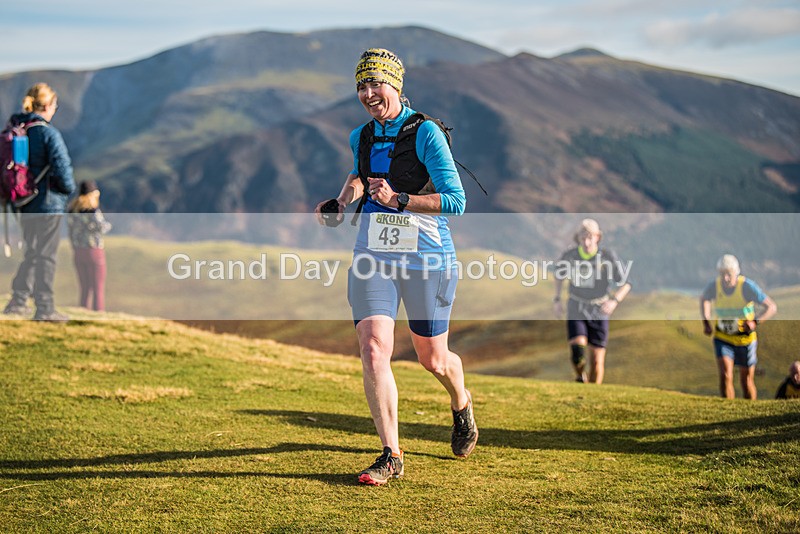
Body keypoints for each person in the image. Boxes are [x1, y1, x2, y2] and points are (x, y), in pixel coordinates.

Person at [314, 48, 477, 486]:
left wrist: (400, 200)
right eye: (360, 87)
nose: (368, 93)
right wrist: (341, 202)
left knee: (433, 359)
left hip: (427, 257)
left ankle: (461, 402)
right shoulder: (361, 136)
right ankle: (391, 454)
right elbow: (358, 174)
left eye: (375, 84)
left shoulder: (425, 133)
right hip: (375, 255)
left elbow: (456, 202)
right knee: (372, 347)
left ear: (396, 85)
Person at [3, 83, 75, 321]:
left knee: (33, 252)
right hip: (47, 202)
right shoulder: (47, 133)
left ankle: (18, 300)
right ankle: (45, 308)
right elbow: (63, 170)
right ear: (47, 105)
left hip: (23, 203)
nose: (55, 109)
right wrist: (67, 190)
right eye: (54, 105)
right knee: (46, 255)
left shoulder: (17, 129)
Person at [552, 218, 631, 384]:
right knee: (578, 351)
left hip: (599, 309)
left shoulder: (607, 257)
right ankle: (580, 376)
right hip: (576, 306)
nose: (586, 242)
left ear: (597, 237)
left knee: (596, 360)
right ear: (578, 238)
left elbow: (626, 283)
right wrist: (557, 299)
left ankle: (594, 394)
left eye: (590, 237)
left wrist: (614, 301)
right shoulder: (570, 256)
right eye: (583, 238)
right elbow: (558, 276)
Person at [700, 254, 777, 400]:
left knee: (746, 381)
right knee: (725, 375)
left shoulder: (747, 287)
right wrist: (706, 321)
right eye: (722, 274)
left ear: (736, 272)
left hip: (745, 340)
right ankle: (728, 410)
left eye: (729, 274)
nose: (726, 278)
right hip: (723, 338)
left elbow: (771, 307)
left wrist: (755, 322)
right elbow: (704, 299)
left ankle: (749, 414)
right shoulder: (714, 286)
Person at [67, 180, 111, 311]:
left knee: (84, 287)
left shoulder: (72, 210)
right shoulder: (92, 211)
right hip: (94, 251)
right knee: (98, 287)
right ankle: (98, 313)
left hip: (78, 251)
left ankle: (83, 311)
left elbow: (70, 231)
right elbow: (101, 227)